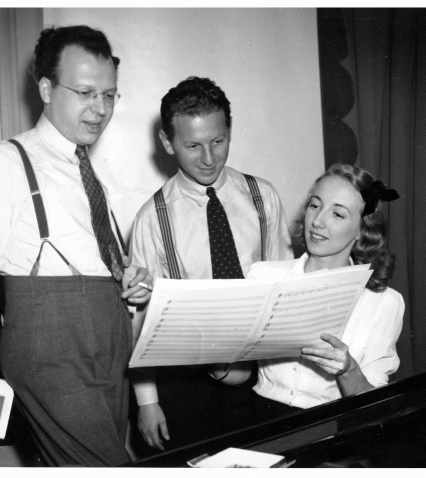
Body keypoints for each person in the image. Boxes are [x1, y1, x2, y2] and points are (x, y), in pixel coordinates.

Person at [0, 25, 152, 466]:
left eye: (109, 95)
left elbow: (83, 260)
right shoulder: (4, 162)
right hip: (54, 348)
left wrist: (128, 278)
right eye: (86, 93)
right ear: (47, 88)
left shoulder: (86, 170)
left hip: (109, 348)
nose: (100, 109)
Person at [128, 76, 293, 452]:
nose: (208, 158)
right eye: (193, 145)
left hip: (261, 375)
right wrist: (147, 401)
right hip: (188, 383)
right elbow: (140, 321)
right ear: (168, 142)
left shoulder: (262, 197)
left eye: (218, 141)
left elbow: (285, 286)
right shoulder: (152, 218)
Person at [216, 163, 404, 421]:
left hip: (333, 424)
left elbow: (374, 407)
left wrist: (348, 369)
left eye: (337, 214)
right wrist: (213, 356)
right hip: (262, 418)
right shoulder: (263, 276)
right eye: (315, 206)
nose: (317, 221)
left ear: (362, 229)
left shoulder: (384, 303)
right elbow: (238, 374)